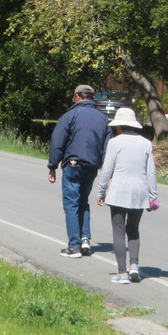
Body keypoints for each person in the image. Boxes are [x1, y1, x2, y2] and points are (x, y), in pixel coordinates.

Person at [47, 84, 110, 258]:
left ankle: (74, 246)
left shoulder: (70, 115)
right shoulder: (103, 119)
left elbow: (57, 141)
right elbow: (107, 148)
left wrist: (52, 166)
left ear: (77, 97)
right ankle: (85, 239)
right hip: (92, 165)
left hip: (73, 163)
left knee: (71, 203)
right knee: (83, 201)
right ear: (92, 98)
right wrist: (106, 170)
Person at [96, 106, 158, 284]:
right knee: (133, 229)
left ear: (118, 125)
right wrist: (153, 195)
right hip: (140, 190)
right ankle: (134, 266)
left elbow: (107, 170)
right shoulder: (146, 143)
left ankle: (122, 272)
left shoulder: (115, 142)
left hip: (119, 190)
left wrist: (101, 191)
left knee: (118, 231)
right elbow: (151, 172)